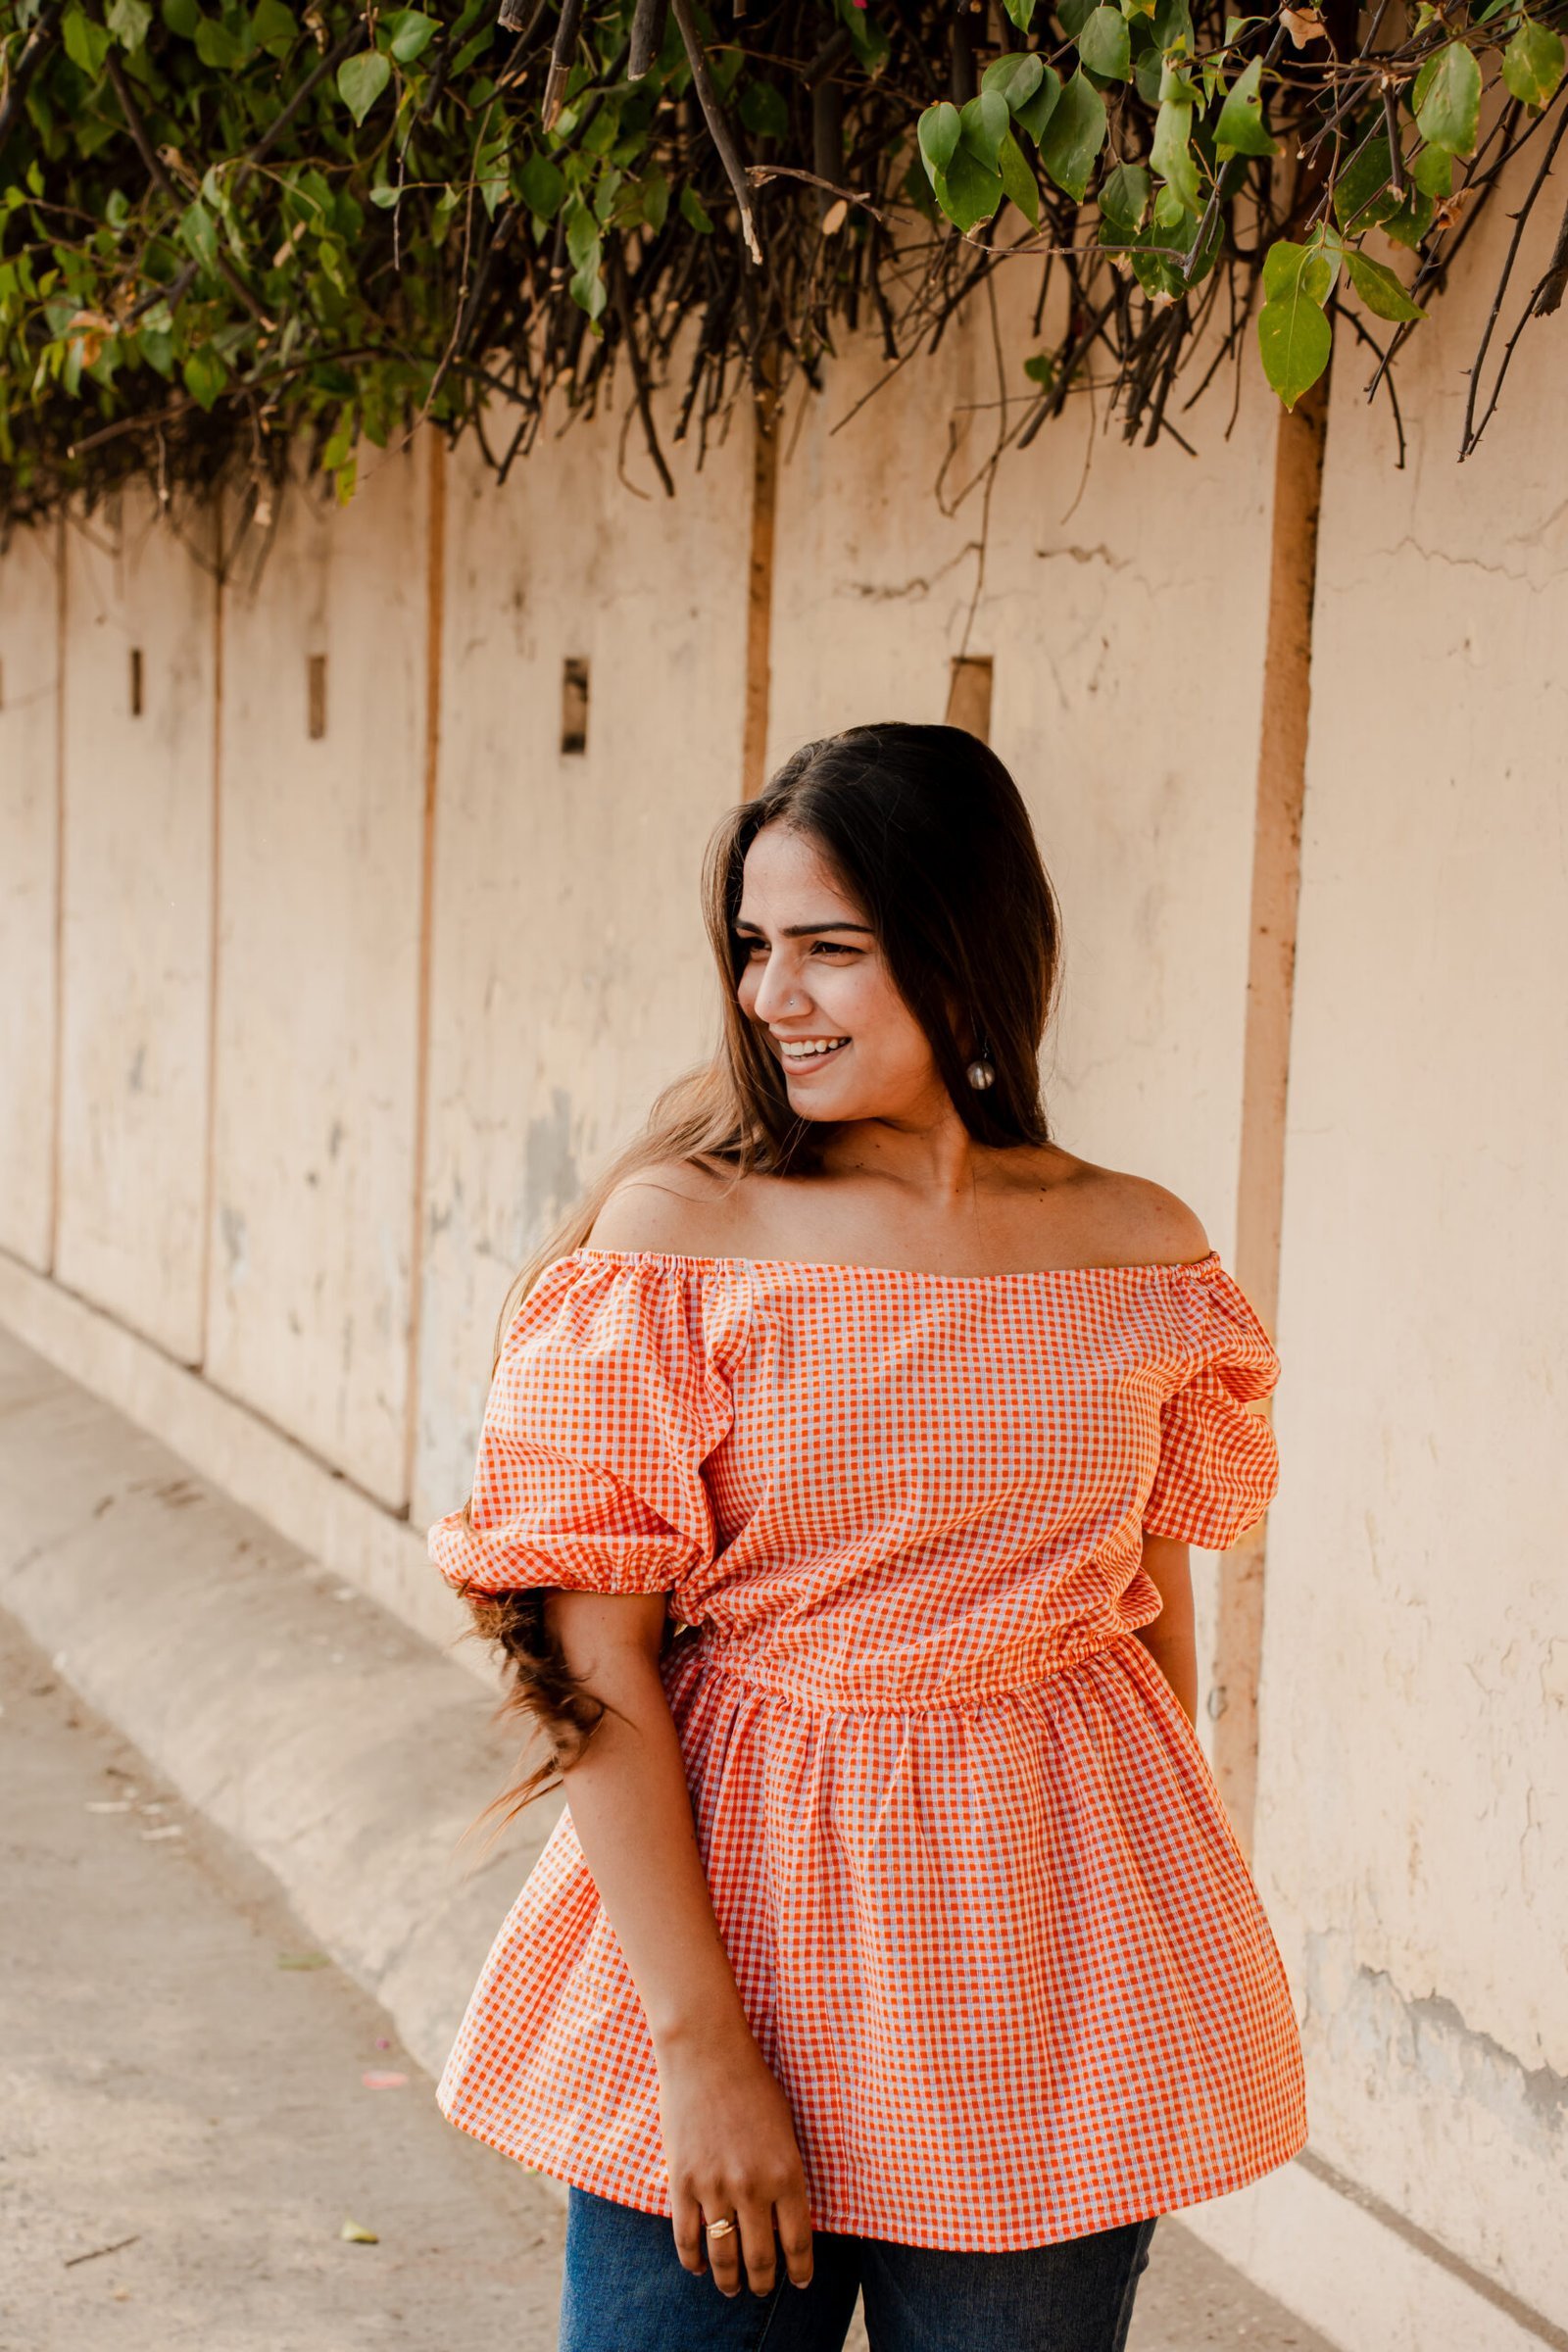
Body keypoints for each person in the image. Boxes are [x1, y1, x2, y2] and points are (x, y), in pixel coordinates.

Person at [428, 722, 1308, 2352]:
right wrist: (700, 2050)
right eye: (756, 949)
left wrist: (1136, 1937)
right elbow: (592, 1648)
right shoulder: (680, 1242)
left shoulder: (1137, 1250)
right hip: (732, 1936)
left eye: (831, 948)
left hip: (1044, 1985)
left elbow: (1149, 1624)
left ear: (968, 944)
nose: (774, 997)